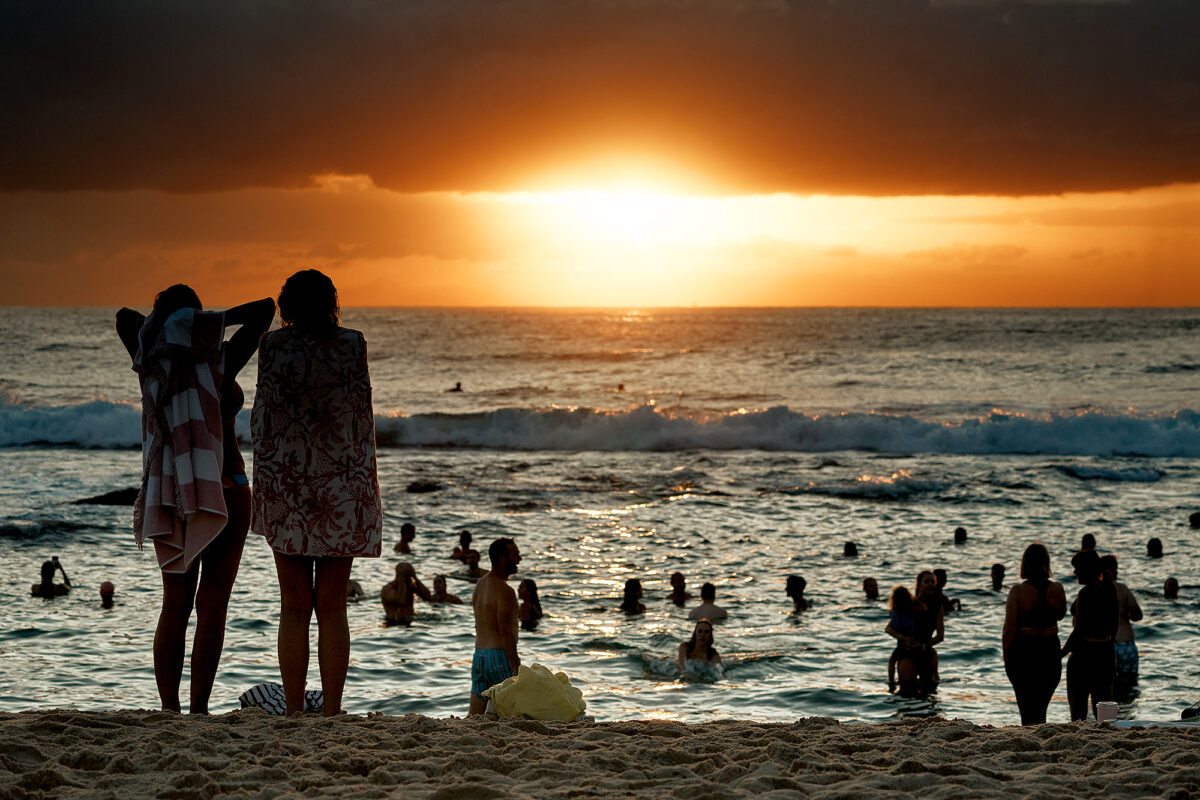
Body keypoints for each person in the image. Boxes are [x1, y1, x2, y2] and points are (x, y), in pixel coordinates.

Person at [117, 284, 274, 714]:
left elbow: (124, 317)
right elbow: (264, 311)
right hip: (226, 484)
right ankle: (198, 709)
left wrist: (167, 325)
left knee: (177, 604)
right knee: (211, 605)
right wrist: (204, 325)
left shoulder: (148, 358)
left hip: (170, 490)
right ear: (192, 320)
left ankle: (171, 710)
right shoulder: (217, 357)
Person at [252, 269, 382, 716]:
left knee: (293, 606)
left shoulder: (271, 347)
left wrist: (264, 490)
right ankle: (331, 710)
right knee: (331, 607)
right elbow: (358, 420)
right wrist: (367, 493)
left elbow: (264, 420)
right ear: (331, 302)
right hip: (341, 487)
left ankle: (292, 709)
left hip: (287, 483)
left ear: (287, 305)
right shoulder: (352, 344)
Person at [1002, 543, 1067, 725]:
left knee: (1026, 707)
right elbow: (1061, 614)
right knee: (1041, 706)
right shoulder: (1058, 589)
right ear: (1047, 563)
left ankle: (1030, 743)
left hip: (1024, 651)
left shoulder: (1018, 591)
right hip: (1049, 650)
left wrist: (1007, 657)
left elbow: (1010, 629)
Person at [1062, 549, 1117, 721]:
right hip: (1106, 652)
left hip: (1084, 656)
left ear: (1088, 569)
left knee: (1078, 713)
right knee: (1103, 712)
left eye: (1077, 568)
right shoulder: (1110, 590)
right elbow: (1114, 627)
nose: (1075, 572)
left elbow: (1079, 631)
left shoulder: (1085, 594)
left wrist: (1060, 654)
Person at [469, 537, 522, 715]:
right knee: (511, 711)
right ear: (501, 559)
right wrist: (515, 664)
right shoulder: (505, 591)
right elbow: (505, 632)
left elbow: (478, 625)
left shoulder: (480, 584)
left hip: (480, 655)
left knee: (475, 713)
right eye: (515, 555)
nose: (519, 559)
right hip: (499, 657)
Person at [1100, 554, 1143, 690]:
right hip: (1127, 645)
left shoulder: (1096, 590)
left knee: (1107, 689)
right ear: (1115, 570)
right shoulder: (1123, 589)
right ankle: (1126, 711)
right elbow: (1138, 615)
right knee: (1130, 687)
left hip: (1106, 646)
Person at [884, 585, 916, 692]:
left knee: (892, 661)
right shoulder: (913, 611)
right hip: (913, 642)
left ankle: (891, 682)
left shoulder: (896, 613)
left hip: (902, 644)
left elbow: (889, 628)